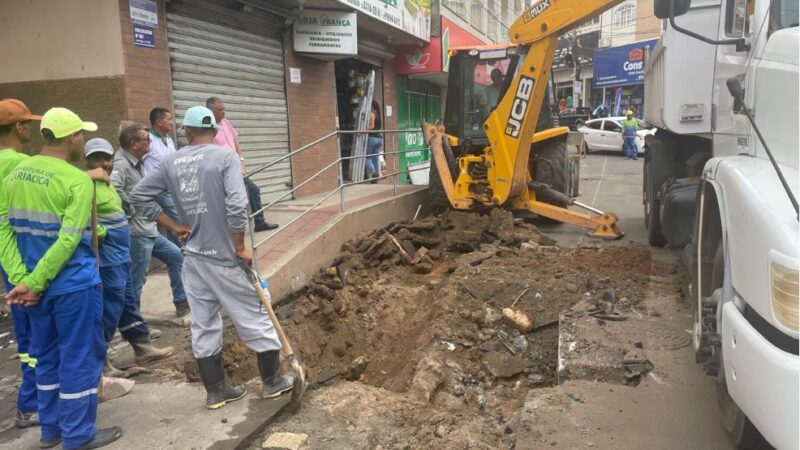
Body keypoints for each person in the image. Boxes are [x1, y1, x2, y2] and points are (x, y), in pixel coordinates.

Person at [130, 106, 295, 410]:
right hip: (224, 257)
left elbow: (137, 196)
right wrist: (240, 245)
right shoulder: (225, 157)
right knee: (254, 316)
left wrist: (172, 224)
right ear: (215, 132)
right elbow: (236, 204)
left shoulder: (170, 162)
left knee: (203, 324)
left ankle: (216, 391)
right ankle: (272, 382)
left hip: (193, 258)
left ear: (188, 132)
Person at [0, 107, 122, 449]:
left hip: (34, 292)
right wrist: (36, 282)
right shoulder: (76, 180)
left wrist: (23, 279)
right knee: (80, 356)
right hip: (73, 286)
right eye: (81, 134)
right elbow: (69, 240)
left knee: (47, 355)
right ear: (73, 138)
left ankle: (50, 430)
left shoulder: (17, 173)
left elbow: (3, 229)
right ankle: (79, 434)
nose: (82, 140)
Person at [84, 138, 174, 372]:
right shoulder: (86, 185)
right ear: (88, 161)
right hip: (106, 257)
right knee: (110, 307)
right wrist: (100, 232)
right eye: (97, 159)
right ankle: (101, 363)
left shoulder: (107, 184)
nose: (105, 163)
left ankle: (142, 348)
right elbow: (81, 220)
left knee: (127, 302)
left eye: (107, 157)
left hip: (121, 255)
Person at [111, 123, 190, 318]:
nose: (150, 143)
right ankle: (133, 325)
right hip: (137, 233)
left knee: (175, 256)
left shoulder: (136, 162)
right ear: (134, 144)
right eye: (147, 140)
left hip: (148, 230)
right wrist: (131, 210)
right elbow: (113, 188)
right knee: (137, 280)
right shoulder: (121, 164)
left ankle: (181, 302)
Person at [0, 99, 41, 430]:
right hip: (21, 262)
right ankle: (30, 404)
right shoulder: (17, 164)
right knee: (34, 337)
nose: (31, 128)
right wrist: (23, 276)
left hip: (9, 260)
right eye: (28, 123)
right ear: (18, 128)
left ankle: (34, 401)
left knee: (28, 336)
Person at [206, 97, 278, 232]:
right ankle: (226, 230)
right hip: (222, 170)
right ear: (210, 111)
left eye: (224, 109)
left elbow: (236, 142)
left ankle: (259, 222)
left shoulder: (226, 122)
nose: (224, 113)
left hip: (236, 167)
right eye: (220, 110)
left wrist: (241, 162)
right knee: (229, 200)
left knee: (253, 190)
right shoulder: (207, 128)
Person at [144, 107, 182, 247]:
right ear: (159, 122)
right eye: (169, 120)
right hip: (158, 189)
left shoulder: (168, 139)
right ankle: (180, 253)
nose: (172, 123)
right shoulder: (148, 140)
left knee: (172, 223)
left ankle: (177, 255)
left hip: (172, 187)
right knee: (177, 219)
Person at [365, 101, 383, 182]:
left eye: (370, 106)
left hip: (372, 138)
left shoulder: (372, 114)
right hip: (379, 139)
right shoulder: (378, 115)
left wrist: (363, 129)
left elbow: (372, 127)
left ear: (372, 107)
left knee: (367, 158)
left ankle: (373, 171)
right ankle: (377, 175)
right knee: (375, 158)